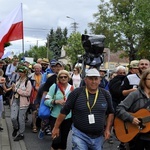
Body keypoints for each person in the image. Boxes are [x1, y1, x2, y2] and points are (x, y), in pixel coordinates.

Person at [52, 68, 114, 150]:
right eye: (91, 79)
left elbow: (111, 112)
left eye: (96, 79)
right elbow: (64, 111)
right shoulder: (76, 93)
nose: (93, 82)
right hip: (80, 134)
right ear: (85, 80)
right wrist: (56, 127)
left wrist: (108, 129)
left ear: (100, 80)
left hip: (98, 136)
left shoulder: (106, 94)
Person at [116, 68, 150, 150]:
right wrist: (131, 118)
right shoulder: (135, 94)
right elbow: (119, 108)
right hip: (136, 136)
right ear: (144, 80)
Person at [44, 70, 74, 150]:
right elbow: (46, 100)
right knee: (56, 140)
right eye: (61, 77)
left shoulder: (72, 88)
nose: (63, 78)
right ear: (58, 78)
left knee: (63, 142)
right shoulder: (54, 87)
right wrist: (56, 101)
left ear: (68, 78)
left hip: (67, 118)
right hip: (55, 117)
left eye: (65, 77)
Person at [11, 65, 32, 141]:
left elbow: (28, 93)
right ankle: (16, 128)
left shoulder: (28, 82)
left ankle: (21, 134)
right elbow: (14, 90)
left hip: (23, 102)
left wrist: (16, 90)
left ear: (25, 72)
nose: (20, 73)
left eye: (22, 72)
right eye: (19, 71)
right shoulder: (17, 79)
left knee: (21, 119)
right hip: (15, 100)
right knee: (13, 118)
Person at [28, 63, 43, 133]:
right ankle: (34, 125)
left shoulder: (44, 76)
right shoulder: (30, 76)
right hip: (33, 96)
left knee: (41, 111)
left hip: (42, 96)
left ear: (40, 69)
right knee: (34, 111)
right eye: (35, 68)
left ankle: (41, 125)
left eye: (38, 68)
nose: (37, 69)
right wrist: (34, 87)